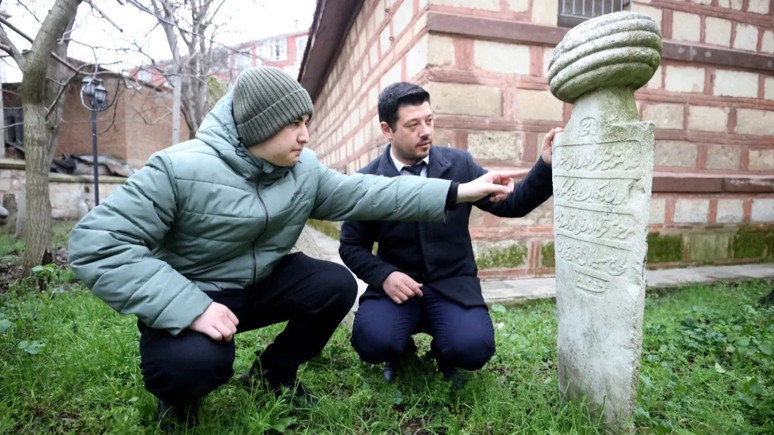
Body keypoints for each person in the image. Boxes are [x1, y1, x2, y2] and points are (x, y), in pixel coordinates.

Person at [67, 67, 522, 431]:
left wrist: (458, 192)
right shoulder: (177, 169)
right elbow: (95, 245)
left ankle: (272, 375)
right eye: (294, 125)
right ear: (260, 125)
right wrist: (188, 307)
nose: (305, 136)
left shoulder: (302, 171)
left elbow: (372, 192)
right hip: (196, 293)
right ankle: (177, 403)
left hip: (260, 284)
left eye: (307, 123)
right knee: (194, 366)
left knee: (333, 284)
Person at [339, 82, 562, 387]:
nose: (426, 131)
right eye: (413, 124)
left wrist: (545, 165)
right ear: (387, 130)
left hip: (452, 285)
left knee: (473, 347)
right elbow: (351, 246)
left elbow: (514, 203)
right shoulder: (367, 180)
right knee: (372, 340)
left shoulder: (459, 165)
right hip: (398, 289)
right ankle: (398, 349)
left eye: (429, 121)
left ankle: (445, 352)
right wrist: (384, 275)